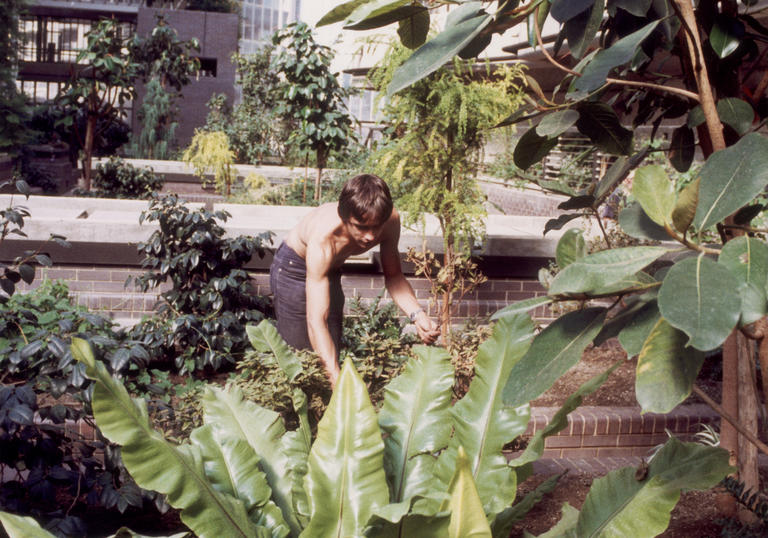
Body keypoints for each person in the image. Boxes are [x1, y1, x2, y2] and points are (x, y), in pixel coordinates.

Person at [269, 173, 440, 388]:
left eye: (376, 226)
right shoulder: (325, 237)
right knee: (300, 356)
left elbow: (394, 276)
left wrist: (418, 315)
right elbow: (316, 320)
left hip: (328, 271)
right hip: (294, 269)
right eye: (361, 227)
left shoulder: (390, 220)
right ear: (344, 218)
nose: (370, 236)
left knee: (330, 348)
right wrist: (335, 378)